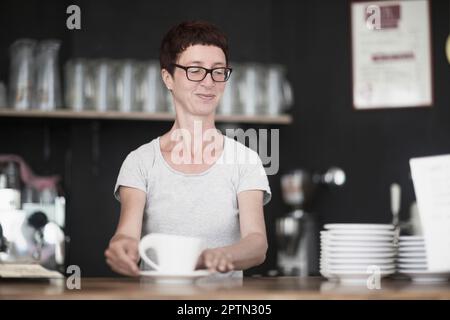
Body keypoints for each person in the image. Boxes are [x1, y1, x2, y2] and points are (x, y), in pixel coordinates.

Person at [105, 21, 271, 278]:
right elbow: (126, 234)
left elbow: (257, 243)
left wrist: (217, 256)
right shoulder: (140, 161)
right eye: (195, 70)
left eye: (218, 71)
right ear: (168, 78)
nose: (209, 82)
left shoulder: (246, 160)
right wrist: (121, 248)